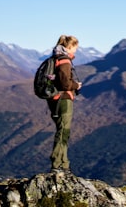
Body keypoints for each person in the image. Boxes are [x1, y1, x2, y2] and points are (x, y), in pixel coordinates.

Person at [47, 34, 82, 174]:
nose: (76, 51)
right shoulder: (64, 61)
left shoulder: (55, 58)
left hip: (54, 99)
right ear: (69, 47)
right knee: (63, 132)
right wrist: (76, 85)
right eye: (75, 48)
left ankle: (64, 164)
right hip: (64, 99)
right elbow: (65, 83)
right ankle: (57, 164)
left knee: (62, 131)